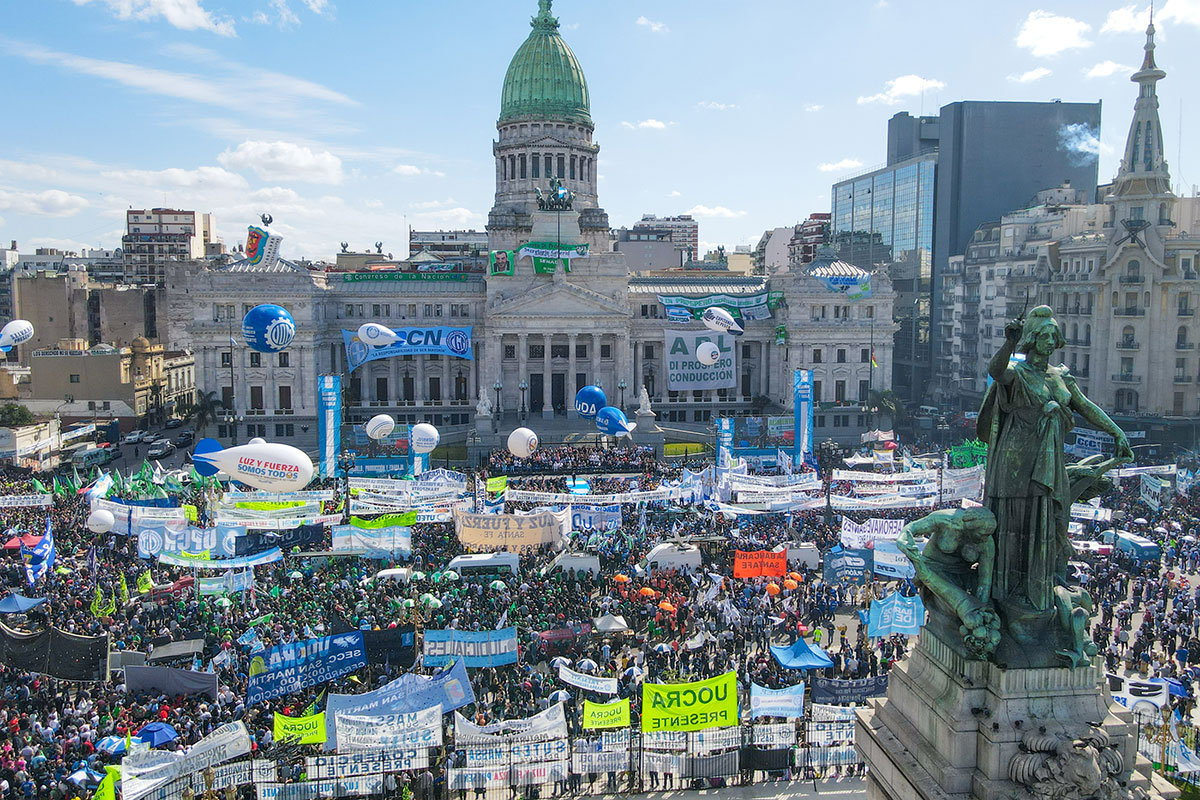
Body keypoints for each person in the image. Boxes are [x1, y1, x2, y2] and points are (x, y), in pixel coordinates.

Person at [979, 306, 1131, 642]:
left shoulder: (1060, 376)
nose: (1050, 341)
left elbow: (1087, 407)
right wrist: (1009, 342)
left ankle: (1037, 589)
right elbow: (996, 370)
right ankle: (1005, 590)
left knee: (1046, 524)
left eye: (1053, 335)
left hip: (1047, 461)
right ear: (1032, 338)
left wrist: (1117, 432)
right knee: (1013, 524)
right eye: (1044, 335)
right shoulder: (1017, 374)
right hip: (1015, 460)